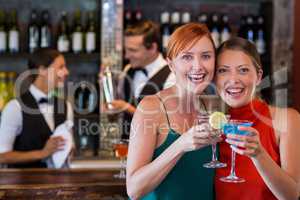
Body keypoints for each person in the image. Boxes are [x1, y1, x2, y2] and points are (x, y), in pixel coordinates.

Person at [126, 23, 219, 200]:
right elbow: (134, 189)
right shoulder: (151, 107)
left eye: (206, 56)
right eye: (187, 57)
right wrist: (181, 144)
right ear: (171, 64)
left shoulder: (212, 106)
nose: (198, 66)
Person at [214, 37, 300, 200]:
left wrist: (259, 155)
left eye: (243, 70)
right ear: (214, 78)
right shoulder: (212, 126)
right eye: (223, 70)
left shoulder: (286, 120)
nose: (233, 80)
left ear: (259, 76)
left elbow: (291, 196)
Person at [0, 48, 73, 168]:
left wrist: (69, 150)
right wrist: (42, 153)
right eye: (61, 67)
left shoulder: (66, 106)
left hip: (59, 184)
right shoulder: (14, 108)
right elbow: (2, 156)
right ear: (43, 70)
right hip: (25, 185)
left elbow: (67, 150)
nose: (66, 72)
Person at [105, 20, 176, 139]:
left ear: (152, 48)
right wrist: (105, 84)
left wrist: (127, 108)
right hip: (127, 148)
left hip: (155, 153)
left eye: (133, 50)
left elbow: (169, 125)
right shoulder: (128, 70)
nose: (126, 56)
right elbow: (115, 115)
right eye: (126, 50)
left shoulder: (171, 76)